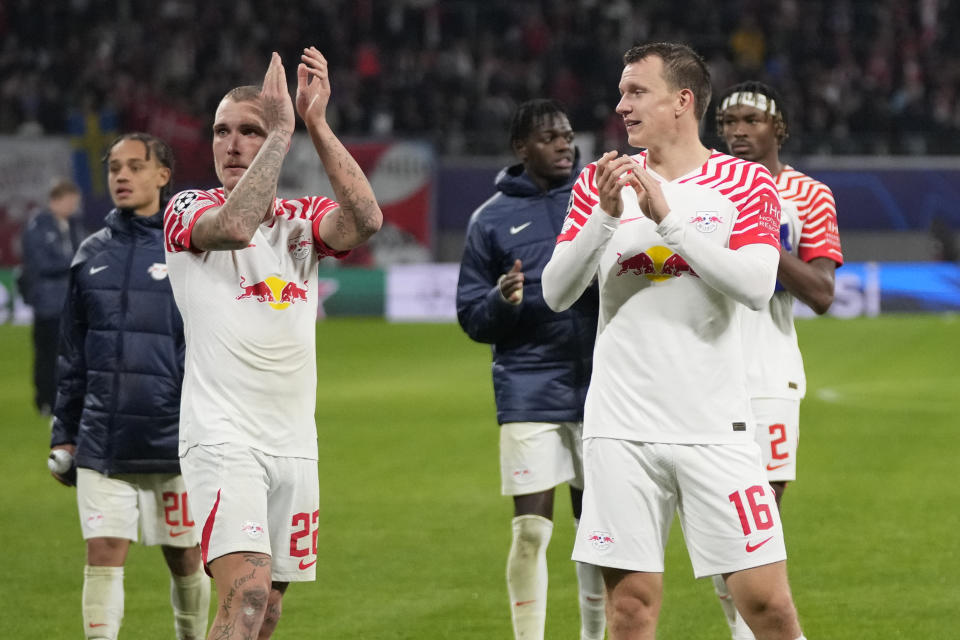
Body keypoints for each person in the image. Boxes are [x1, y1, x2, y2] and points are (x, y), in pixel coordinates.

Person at [541, 42, 809, 640]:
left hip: (716, 425)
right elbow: (556, 292)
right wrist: (605, 217)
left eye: (636, 91)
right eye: (621, 92)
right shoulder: (599, 180)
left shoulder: (743, 183)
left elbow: (756, 283)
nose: (621, 105)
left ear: (682, 100)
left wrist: (670, 222)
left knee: (768, 607)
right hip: (620, 427)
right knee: (630, 611)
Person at [162, 48, 382, 640]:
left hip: (293, 445)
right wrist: (280, 131)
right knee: (247, 597)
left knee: (267, 614)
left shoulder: (299, 221)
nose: (231, 144)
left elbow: (365, 220)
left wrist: (315, 123)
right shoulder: (188, 209)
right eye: (222, 131)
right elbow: (235, 227)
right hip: (222, 438)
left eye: (248, 130)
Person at [456, 99, 606, 640]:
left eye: (568, 135)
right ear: (522, 148)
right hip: (528, 389)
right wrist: (503, 301)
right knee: (530, 531)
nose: (565, 144)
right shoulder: (490, 220)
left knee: (599, 531)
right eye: (550, 137)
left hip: (603, 390)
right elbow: (472, 317)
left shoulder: (598, 200)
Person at [49, 133, 209, 640]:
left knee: (186, 557)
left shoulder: (190, 250)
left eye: (135, 166)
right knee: (103, 552)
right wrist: (63, 433)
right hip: (103, 437)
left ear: (162, 175)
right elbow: (72, 353)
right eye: (115, 167)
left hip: (175, 437)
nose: (122, 175)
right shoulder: (90, 254)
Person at [710, 81, 843, 640]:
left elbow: (821, 293)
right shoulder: (700, 187)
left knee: (757, 521)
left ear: (778, 128)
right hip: (703, 371)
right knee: (717, 524)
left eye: (751, 120)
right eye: (729, 121)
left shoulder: (809, 195)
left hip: (768, 373)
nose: (739, 131)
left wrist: (765, 241)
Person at [20, 177, 85, 415]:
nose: (73, 207)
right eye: (70, 202)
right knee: (47, 353)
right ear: (55, 201)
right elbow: (40, 263)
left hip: (71, 300)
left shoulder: (74, 225)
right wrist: (73, 263)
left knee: (70, 354)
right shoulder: (38, 226)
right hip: (48, 303)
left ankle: (66, 398)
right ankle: (45, 400)